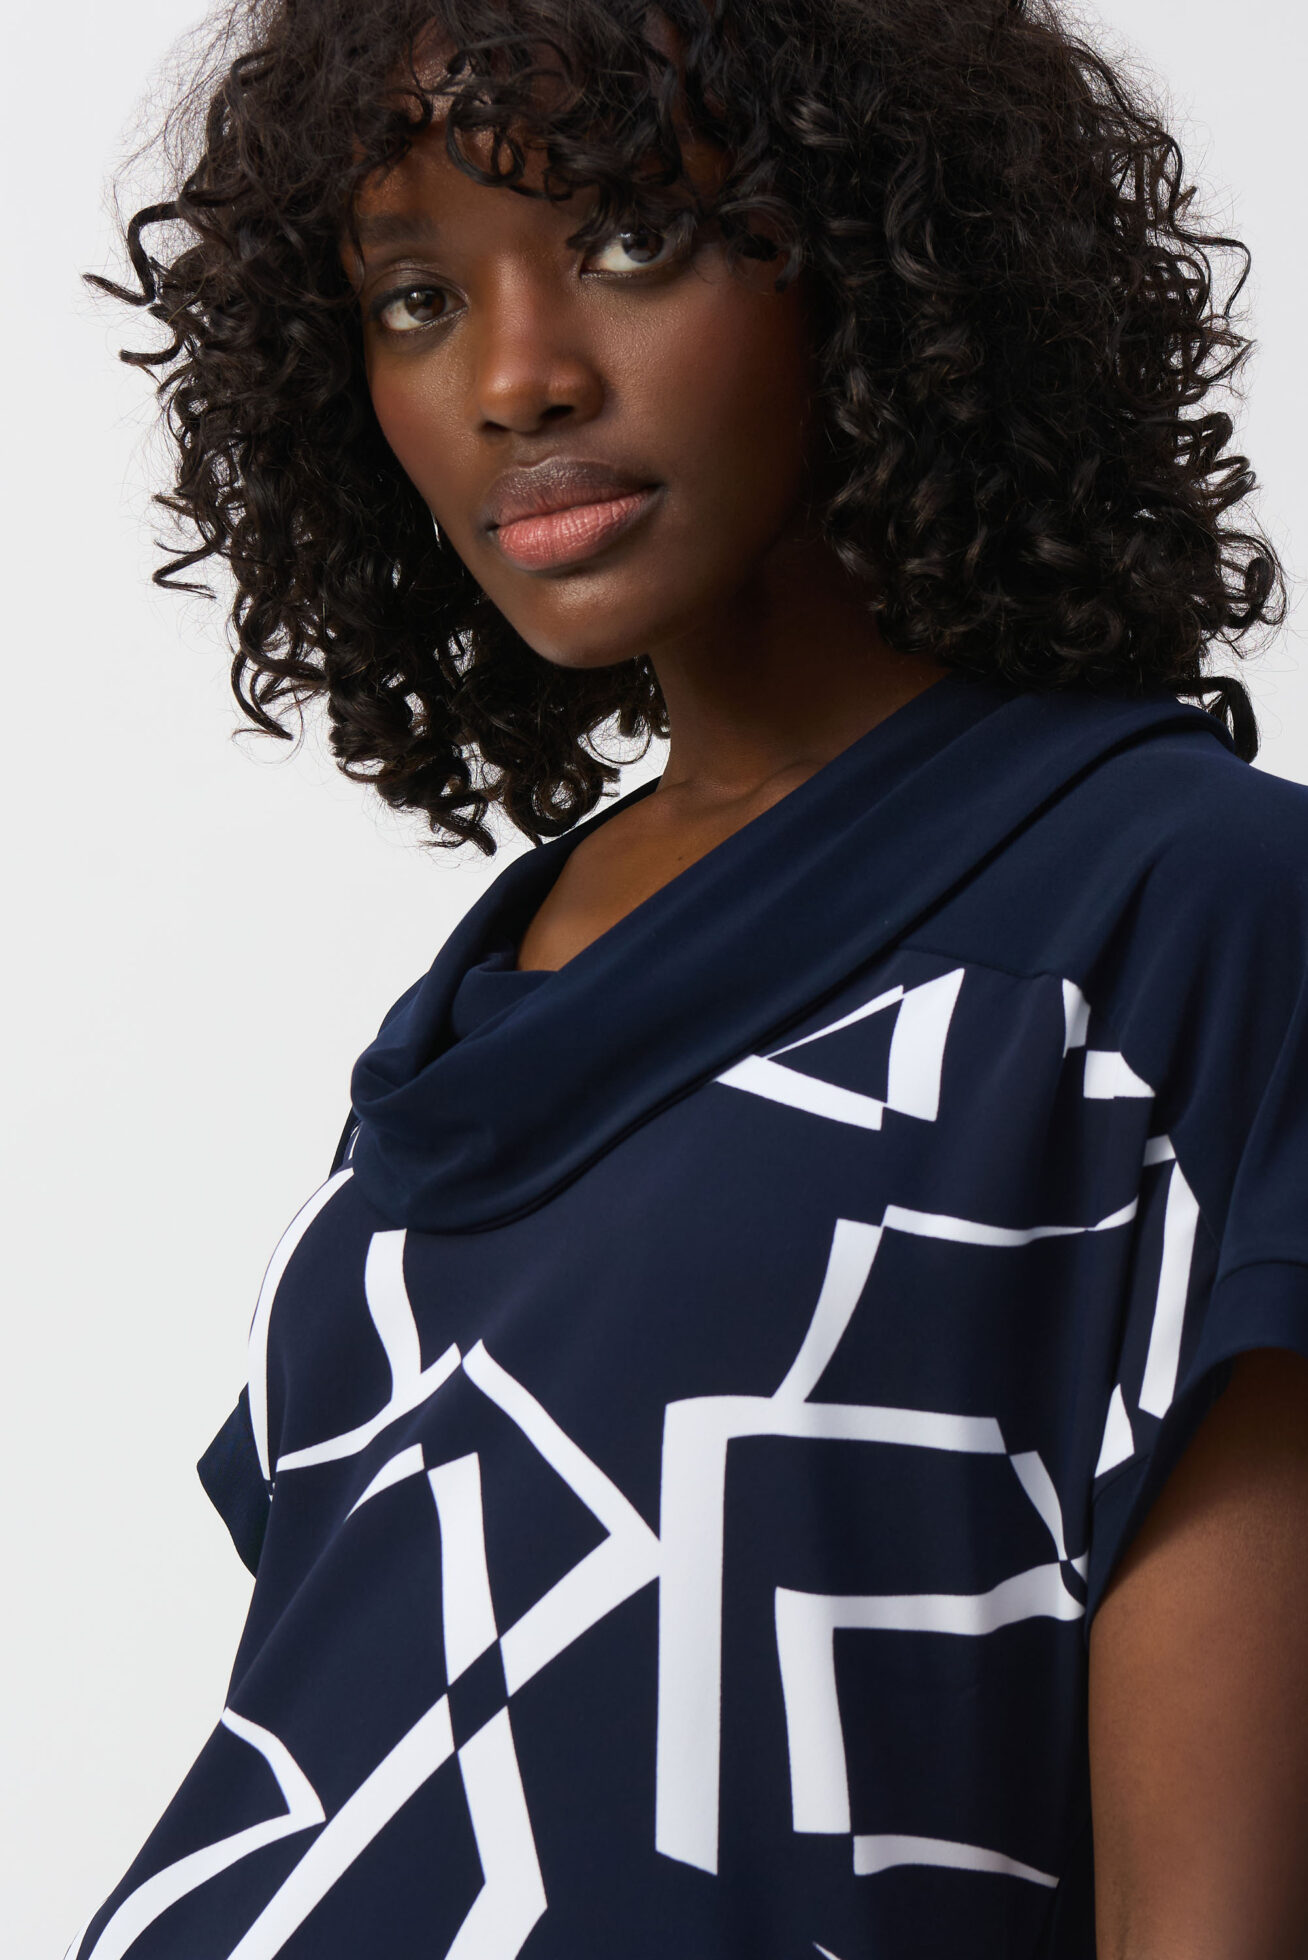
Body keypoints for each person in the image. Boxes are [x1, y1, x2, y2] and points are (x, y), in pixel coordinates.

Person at [71, 1, 1308, 1956]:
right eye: (414, 299)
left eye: (635, 238)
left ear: (886, 256)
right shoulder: (496, 979)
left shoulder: (1185, 907)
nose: (517, 376)